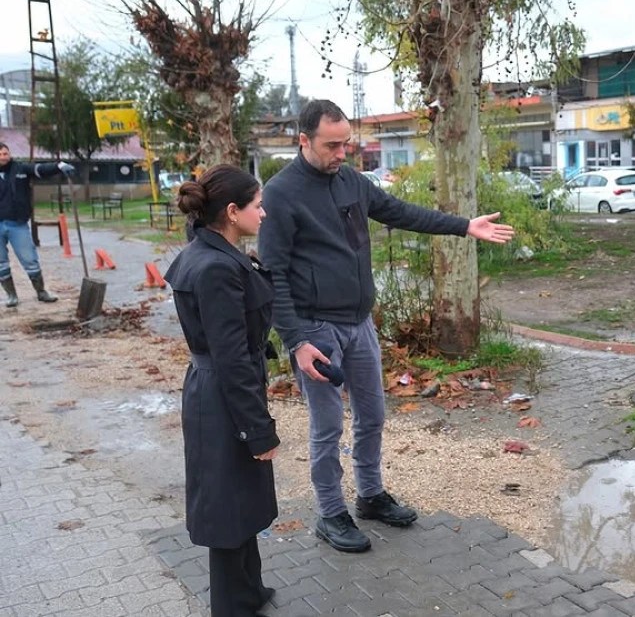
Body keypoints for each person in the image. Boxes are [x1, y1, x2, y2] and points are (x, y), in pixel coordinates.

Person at [258, 99, 514, 554]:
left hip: (359, 324)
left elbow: (400, 212)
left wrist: (463, 226)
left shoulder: (353, 182)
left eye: (346, 145)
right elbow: (273, 274)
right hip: (316, 330)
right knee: (327, 426)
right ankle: (330, 512)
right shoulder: (281, 194)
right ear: (303, 141)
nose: (341, 154)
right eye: (331, 146)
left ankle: (371, 496)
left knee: (373, 415)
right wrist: (295, 341)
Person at [164, 165, 278, 617]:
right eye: (257, 205)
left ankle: (249, 592)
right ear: (232, 211)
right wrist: (259, 430)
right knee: (229, 508)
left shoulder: (213, 253)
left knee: (241, 500)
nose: (264, 213)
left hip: (219, 390)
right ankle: (232, 606)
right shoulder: (215, 266)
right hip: (222, 397)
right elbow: (231, 358)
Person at [0, 141, 74, 307]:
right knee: (1, 262)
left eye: (6, 153)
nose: (3, 157)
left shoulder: (20, 169)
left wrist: (59, 166)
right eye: (0, 155)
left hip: (17, 223)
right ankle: (11, 295)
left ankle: (41, 292)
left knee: (29, 258)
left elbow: (39, 169)